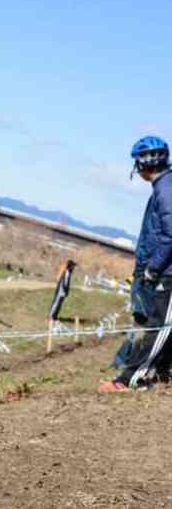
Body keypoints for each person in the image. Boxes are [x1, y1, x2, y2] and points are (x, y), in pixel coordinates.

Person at [100, 136, 172, 392]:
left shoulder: (166, 189)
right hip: (162, 269)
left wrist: (154, 267)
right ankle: (161, 373)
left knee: (158, 328)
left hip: (167, 272)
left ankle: (129, 380)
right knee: (159, 326)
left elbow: (170, 234)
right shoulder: (162, 187)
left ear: (145, 164)